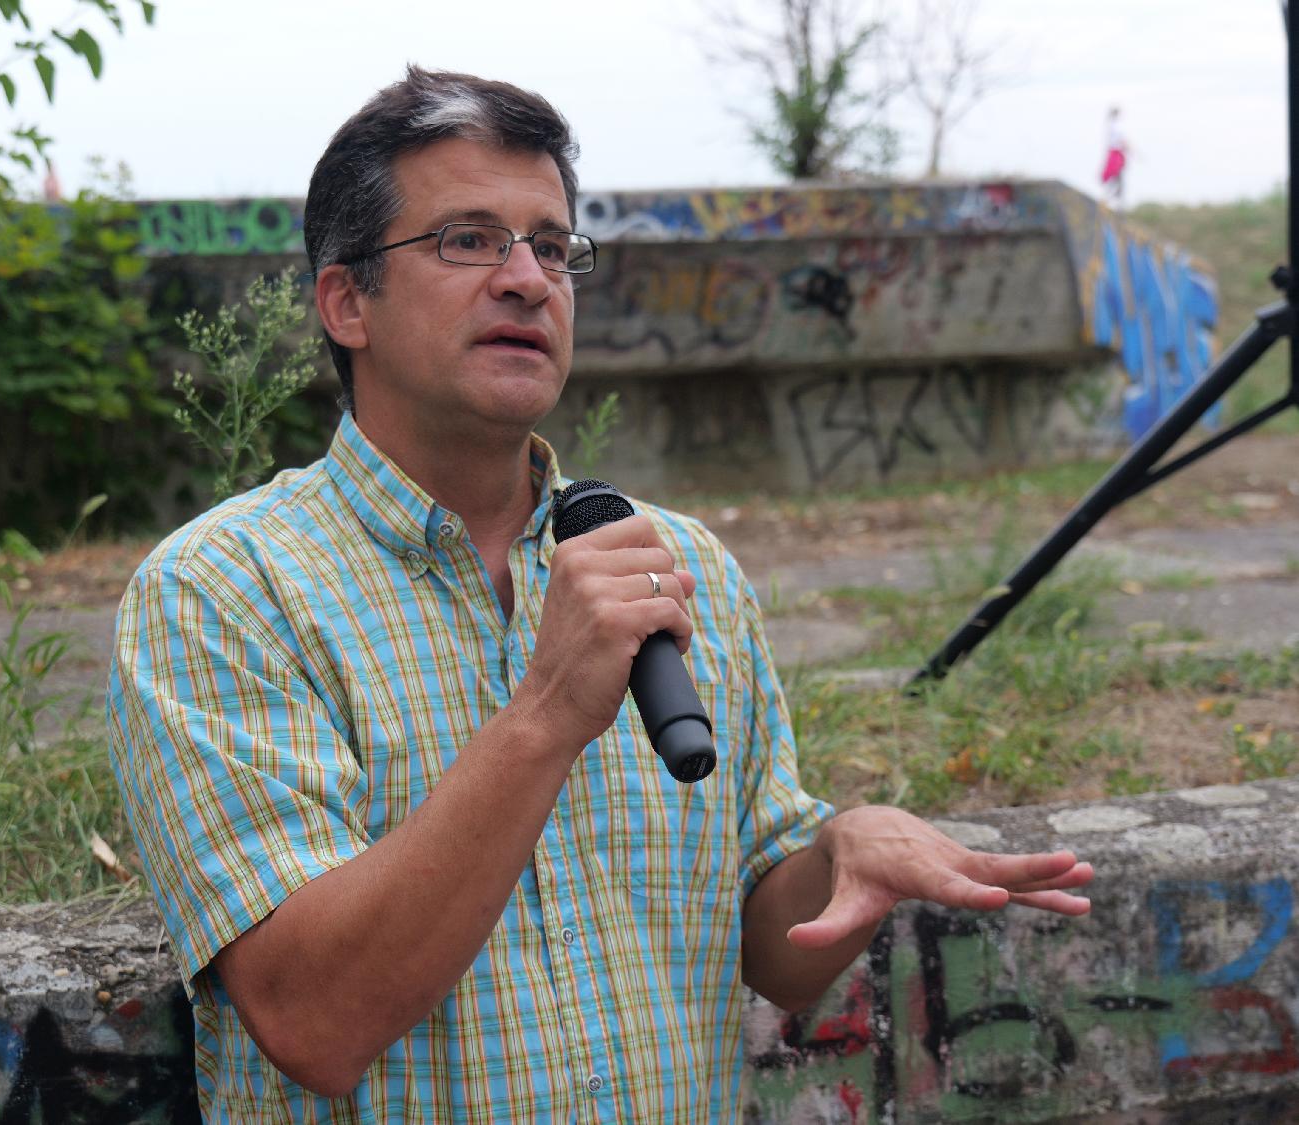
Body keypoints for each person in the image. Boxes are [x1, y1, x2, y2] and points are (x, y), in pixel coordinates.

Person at [107, 66, 1094, 1122]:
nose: (527, 279)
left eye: (552, 244)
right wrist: (545, 715)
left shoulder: (680, 565)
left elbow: (777, 956)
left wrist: (844, 863)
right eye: (468, 240)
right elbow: (312, 1019)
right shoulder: (221, 593)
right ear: (347, 300)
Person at [1101, 106, 1130, 206]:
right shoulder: (1116, 126)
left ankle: (1112, 196)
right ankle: (1112, 197)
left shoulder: (1111, 126)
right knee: (1116, 177)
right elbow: (1122, 141)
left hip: (1115, 153)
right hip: (1116, 153)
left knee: (1116, 178)